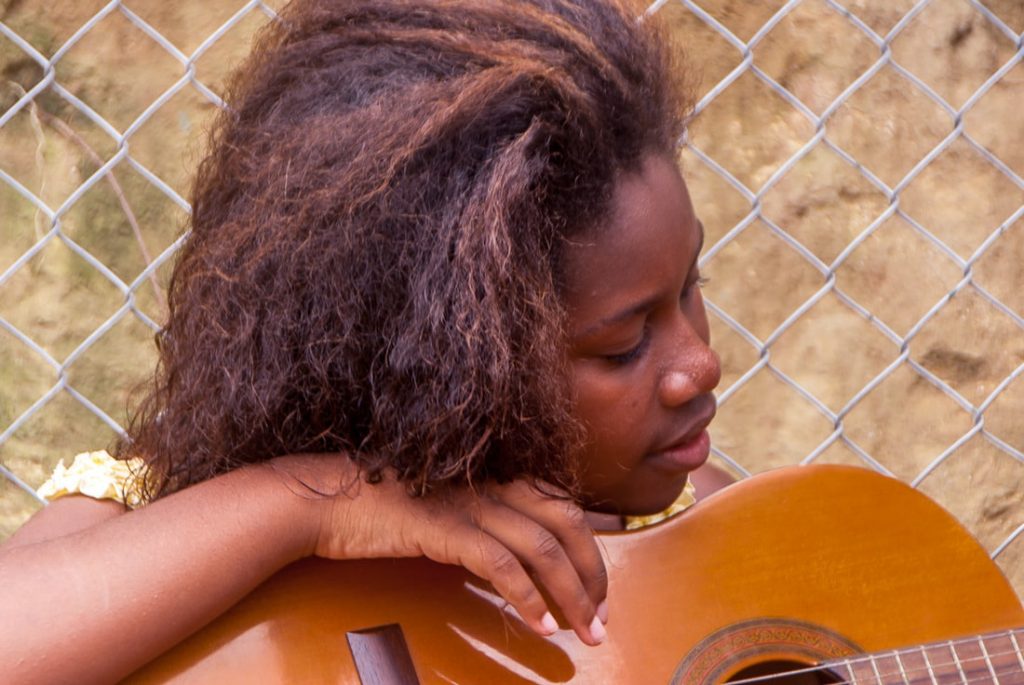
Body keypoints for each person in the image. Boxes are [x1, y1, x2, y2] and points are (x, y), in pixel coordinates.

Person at [0, 0, 730, 682]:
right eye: (624, 344)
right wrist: (312, 504)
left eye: (691, 285)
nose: (700, 362)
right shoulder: (176, 507)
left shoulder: (710, 528)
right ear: (459, 362)